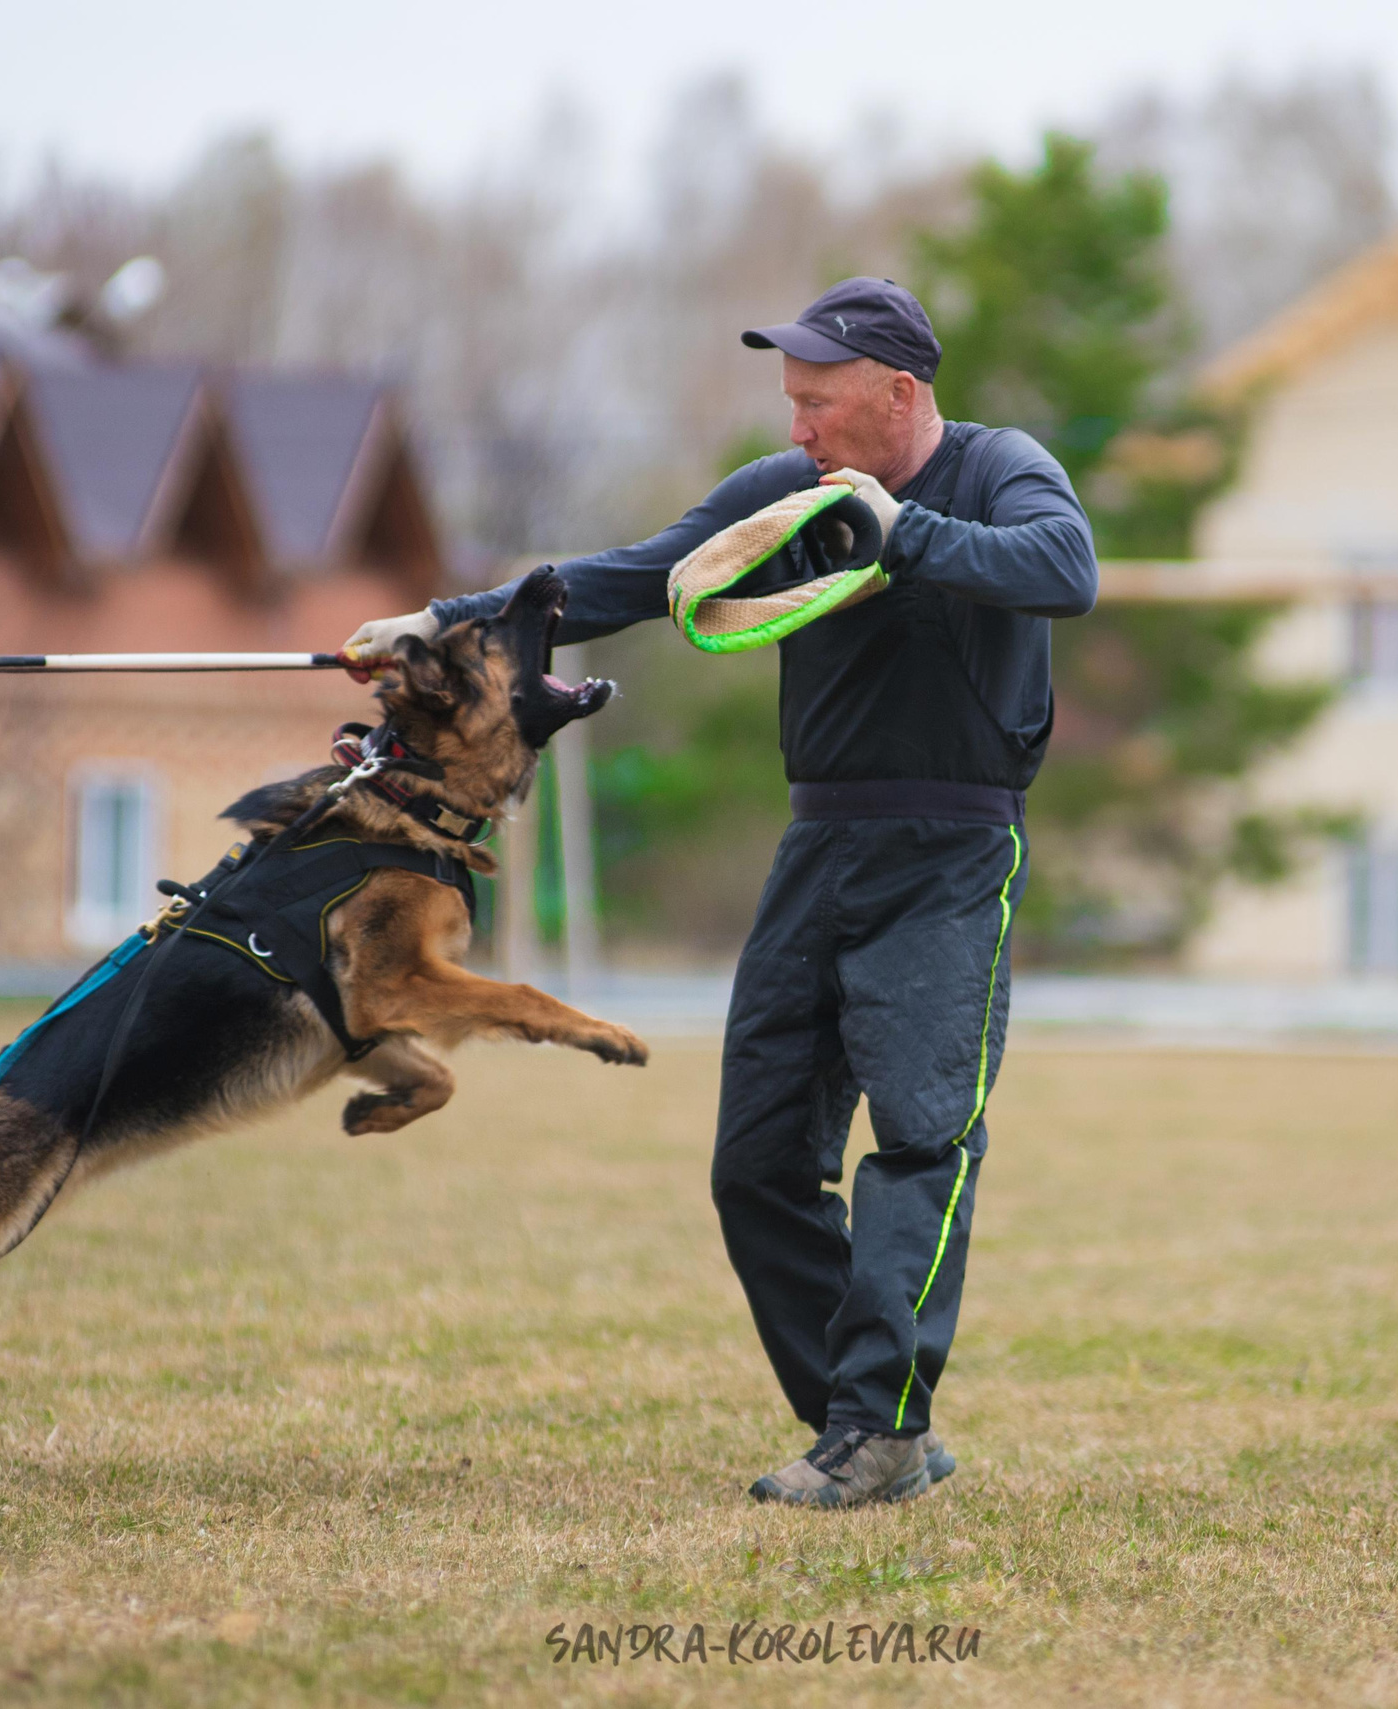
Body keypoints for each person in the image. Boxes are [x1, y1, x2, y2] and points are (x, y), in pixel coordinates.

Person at [343, 278, 1097, 1506]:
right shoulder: (778, 491)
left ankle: (878, 1426)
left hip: (954, 850)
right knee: (754, 1161)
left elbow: (1063, 568)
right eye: (790, 403)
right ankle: (864, 1422)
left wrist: (894, 529)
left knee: (918, 1140)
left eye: (818, 404)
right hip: (820, 845)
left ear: (899, 394)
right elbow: (628, 579)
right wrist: (443, 623)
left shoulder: (1001, 468)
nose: (796, 428)